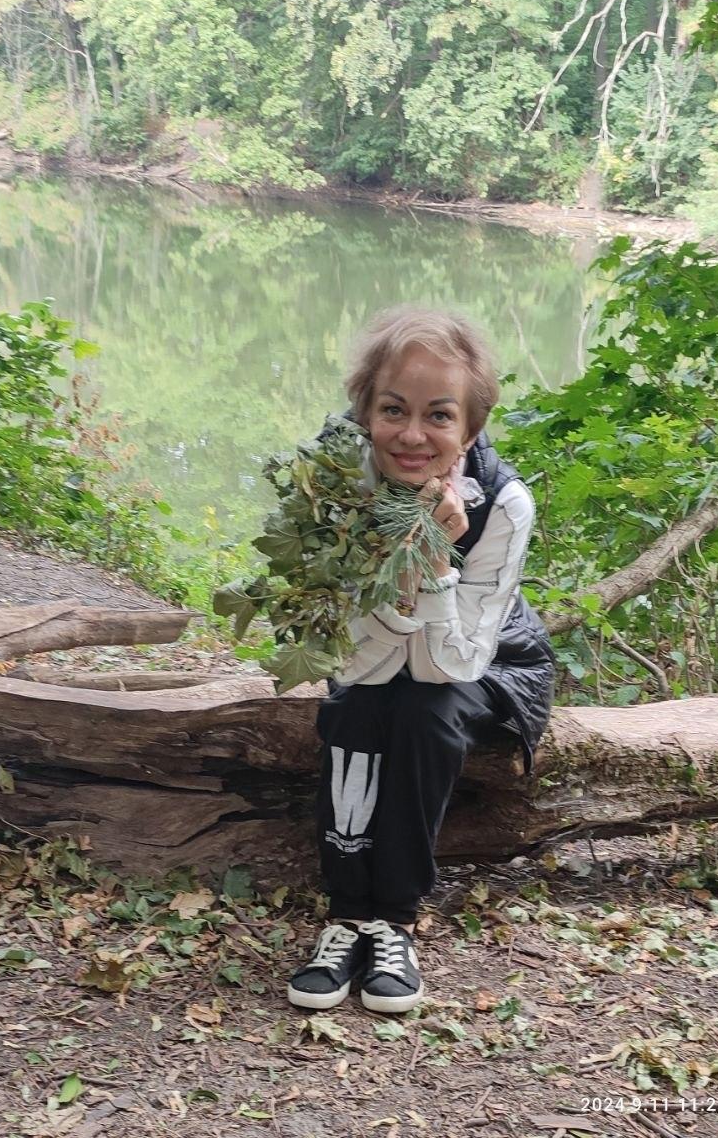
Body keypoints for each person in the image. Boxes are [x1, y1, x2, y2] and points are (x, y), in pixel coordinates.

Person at [286, 307, 554, 1014]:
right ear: (364, 410)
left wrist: (432, 565)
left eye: (438, 415)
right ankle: (347, 914)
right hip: (373, 649)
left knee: (424, 712)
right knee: (355, 708)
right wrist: (396, 576)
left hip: (487, 657)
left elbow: (450, 666)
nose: (411, 435)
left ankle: (395, 921)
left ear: (469, 428)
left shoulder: (504, 504)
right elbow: (354, 663)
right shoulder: (331, 482)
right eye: (392, 410)